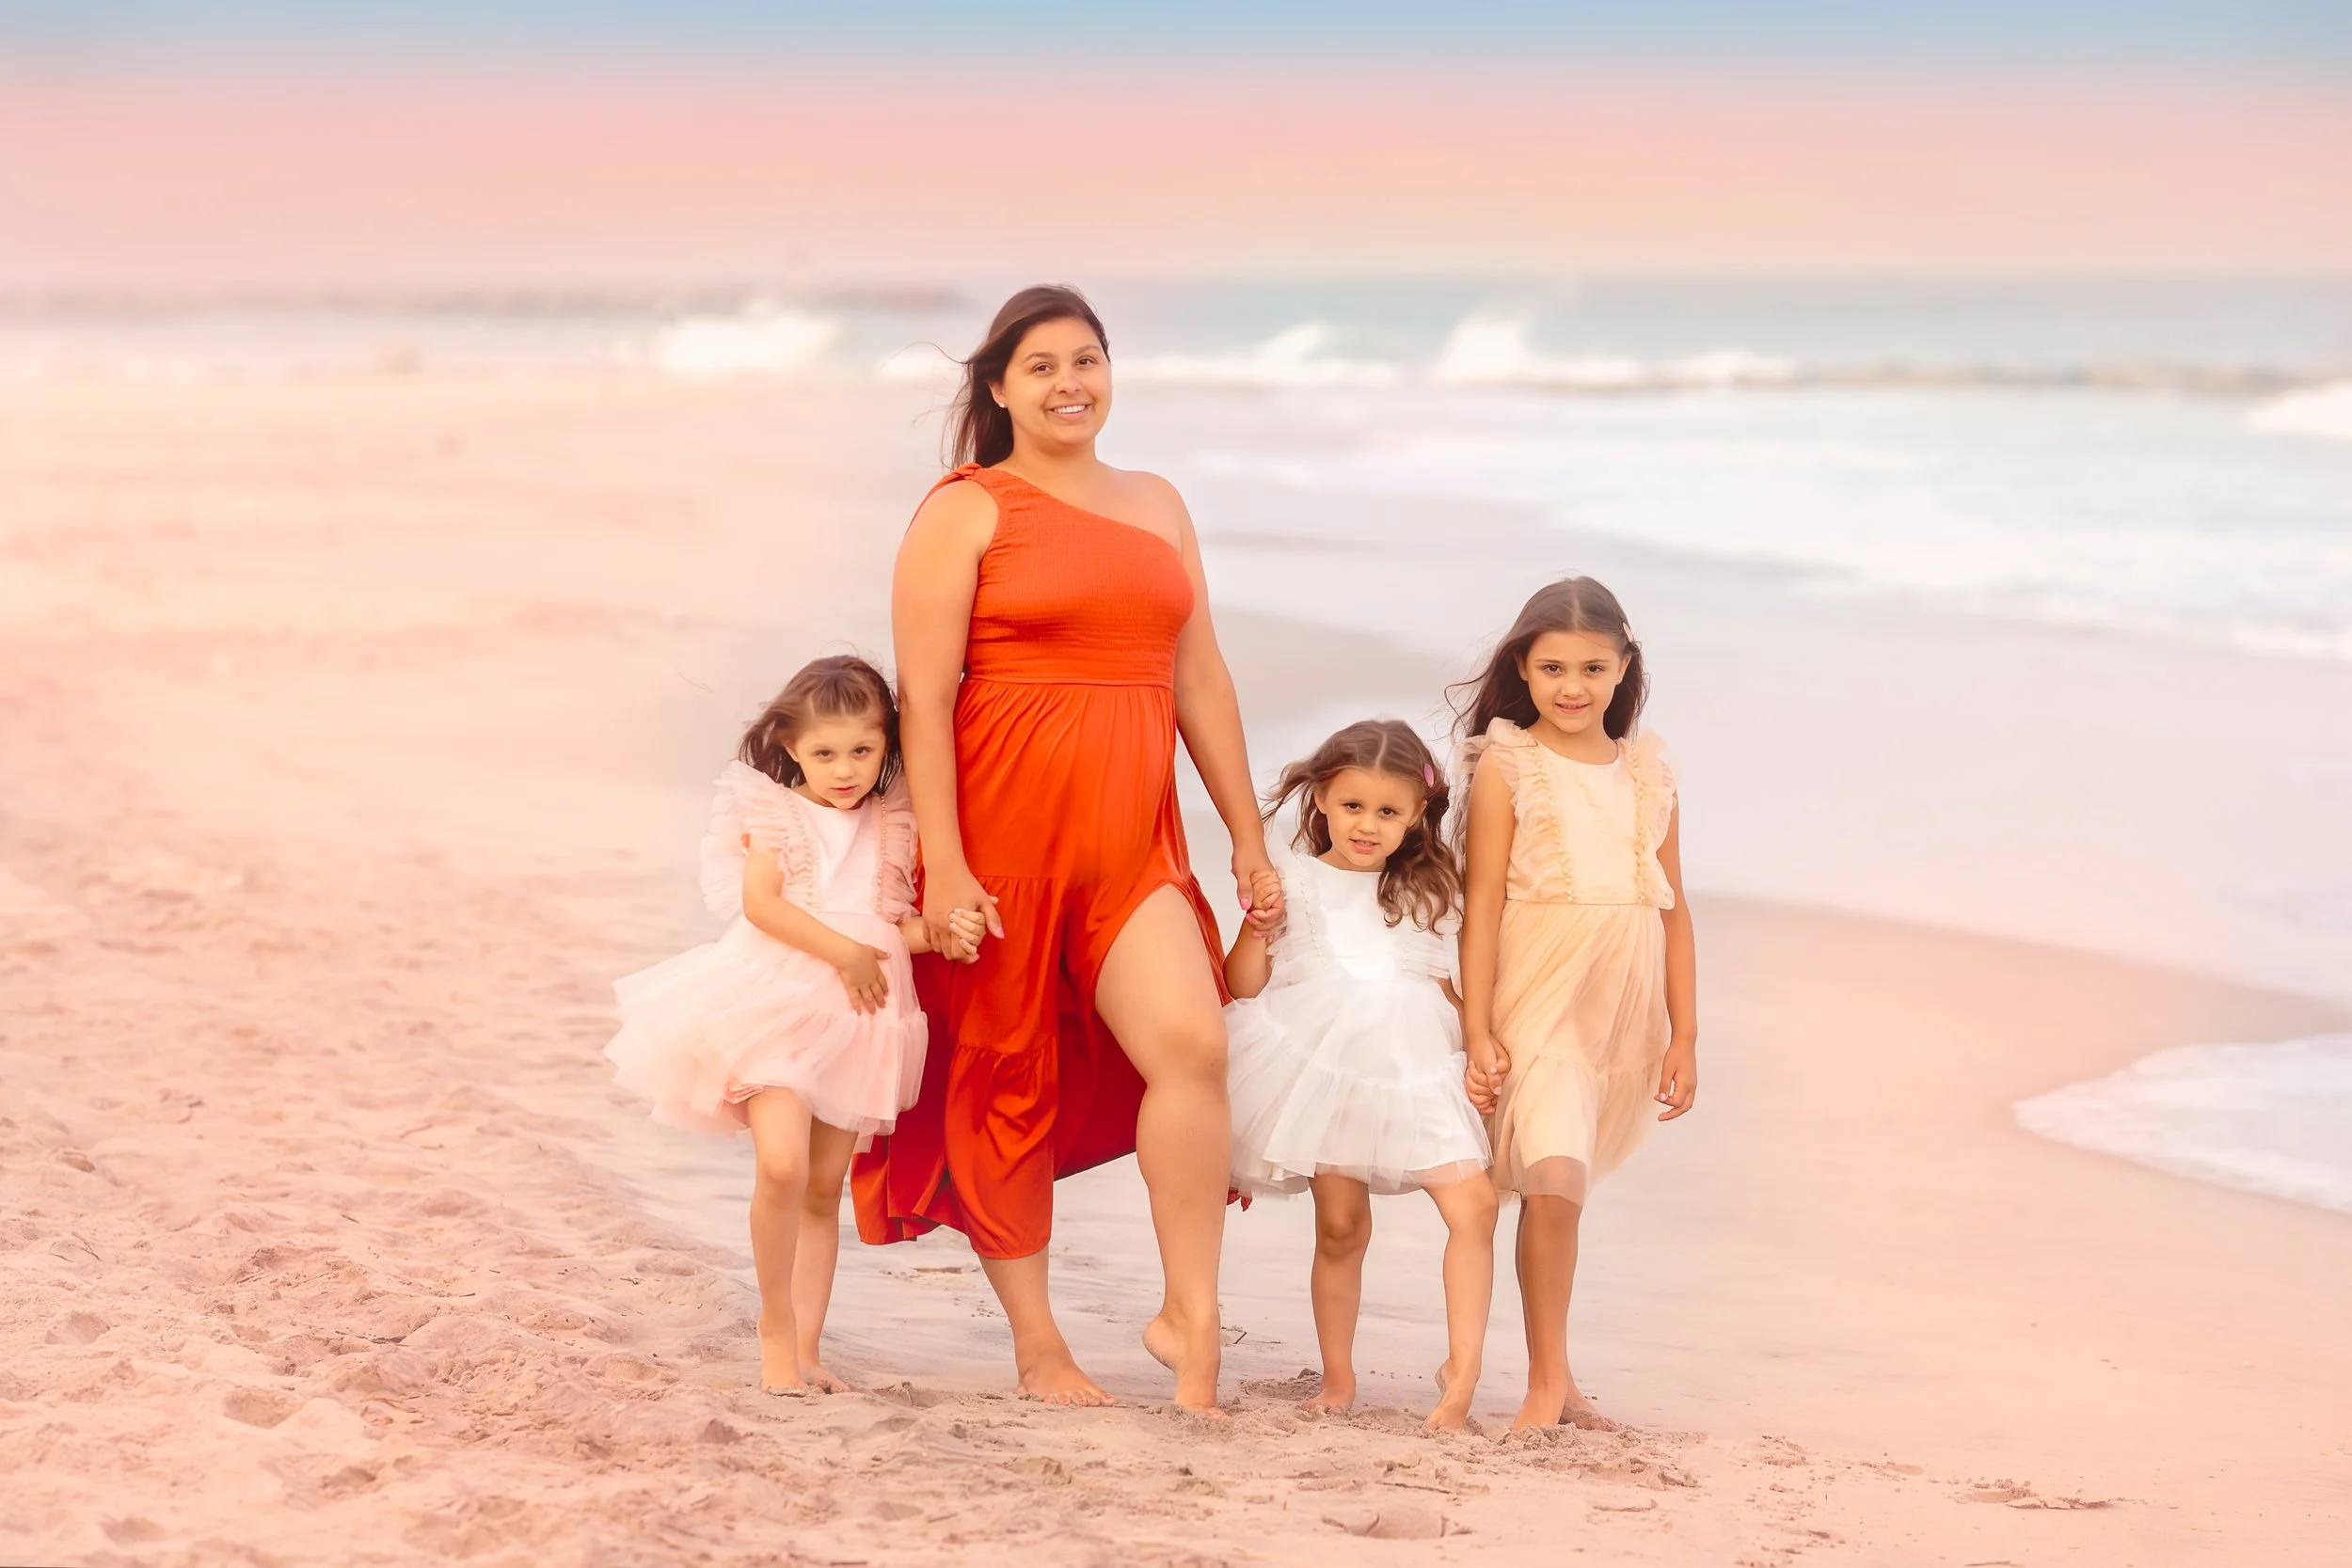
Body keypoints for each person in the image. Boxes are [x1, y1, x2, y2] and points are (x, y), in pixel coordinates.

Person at [853, 285, 1280, 1414]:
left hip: (1133, 843)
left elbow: (1201, 677)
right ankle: (1039, 1344)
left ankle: (1191, 1315)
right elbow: (925, 700)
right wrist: (944, 863)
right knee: (1003, 1077)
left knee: (1191, 1045)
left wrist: (1245, 835)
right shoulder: (967, 506)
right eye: (1040, 366)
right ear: (998, 387)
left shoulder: (1156, 503)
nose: (1068, 383)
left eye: (1086, 360)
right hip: (1000, 839)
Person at [607, 656, 984, 1394]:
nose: (844, 770)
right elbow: (764, 906)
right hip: (778, 1002)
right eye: (824, 753)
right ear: (790, 748)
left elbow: (887, 926)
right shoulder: (775, 812)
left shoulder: (894, 819)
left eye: (862, 751)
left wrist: (940, 935)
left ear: (886, 746)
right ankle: (774, 1328)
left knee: (822, 1185)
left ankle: (809, 1349)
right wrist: (845, 952)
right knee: (781, 1164)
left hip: (862, 1016)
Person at [1453, 578, 1699, 1431]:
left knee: (1566, 1188)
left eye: (1593, 668)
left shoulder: (1650, 771)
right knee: (1552, 1180)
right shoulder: (1510, 764)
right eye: (1552, 666)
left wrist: (1685, 1035)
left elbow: (1675, 907)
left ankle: (1559, 1382)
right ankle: (1544, 1385)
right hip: (1538, 996)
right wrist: (1476, 1025)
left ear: (1623, 667)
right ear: (1522, 667)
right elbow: (1481, 902)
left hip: (1620, 1014)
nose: (1572, 686)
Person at [1223, 720, 1498, 1431]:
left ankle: (1462, 1370)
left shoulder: (1434, 890)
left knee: (1475, 1206)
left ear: (1416, 816)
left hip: (1416, 1065)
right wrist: (1257, 926)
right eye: (1352, 806)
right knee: (1341, 1225)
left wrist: (1480, 1045)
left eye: (1387, 811)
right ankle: (1338, 1377)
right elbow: (1244, 985)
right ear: (1320, 799)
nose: (1367, 825)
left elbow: (1445, 988)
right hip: (1325, 1065)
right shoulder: (1291, 881)